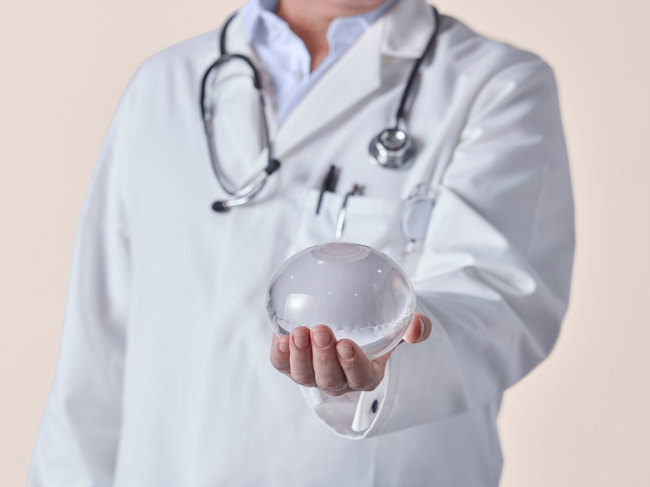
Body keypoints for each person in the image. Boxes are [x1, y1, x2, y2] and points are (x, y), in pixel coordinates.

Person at [26, 0, 575, 485]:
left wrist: (392, 361)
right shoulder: (164, 84)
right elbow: (96, 347)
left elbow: (497, 303)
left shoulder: (496, 86)